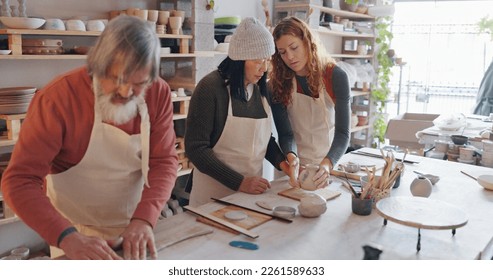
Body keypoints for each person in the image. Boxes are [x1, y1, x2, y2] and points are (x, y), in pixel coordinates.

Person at [1, 15, 178, 260]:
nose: (126, 92)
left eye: (139, 84)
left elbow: (164, 161)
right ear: (96, 66)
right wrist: (66, 236)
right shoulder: (58, 99)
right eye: (117, 80)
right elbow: (19, 181)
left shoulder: (158, 92)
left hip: (135, 227)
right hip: (75, 234)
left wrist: (144, 218)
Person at [185, 17, 298, 207]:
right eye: (257, 61)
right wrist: (240, 182)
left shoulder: (259, 89)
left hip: (250, 196)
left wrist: (282, 163)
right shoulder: (210, 88)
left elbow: (263, 140)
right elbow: (196, 149)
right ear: (239, 59)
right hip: (212, 198)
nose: (264, 68)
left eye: (267, 61)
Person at [269, 16, 351, 189]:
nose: (289, 57)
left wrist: (328, 164)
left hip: (328, 162)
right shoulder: (278, 83)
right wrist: (291, 157)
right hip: (294, 167)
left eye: (294, 47)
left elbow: (343, 133)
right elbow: (285, 134)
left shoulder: (334, 76)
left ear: (307, 42)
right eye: (282, 52)